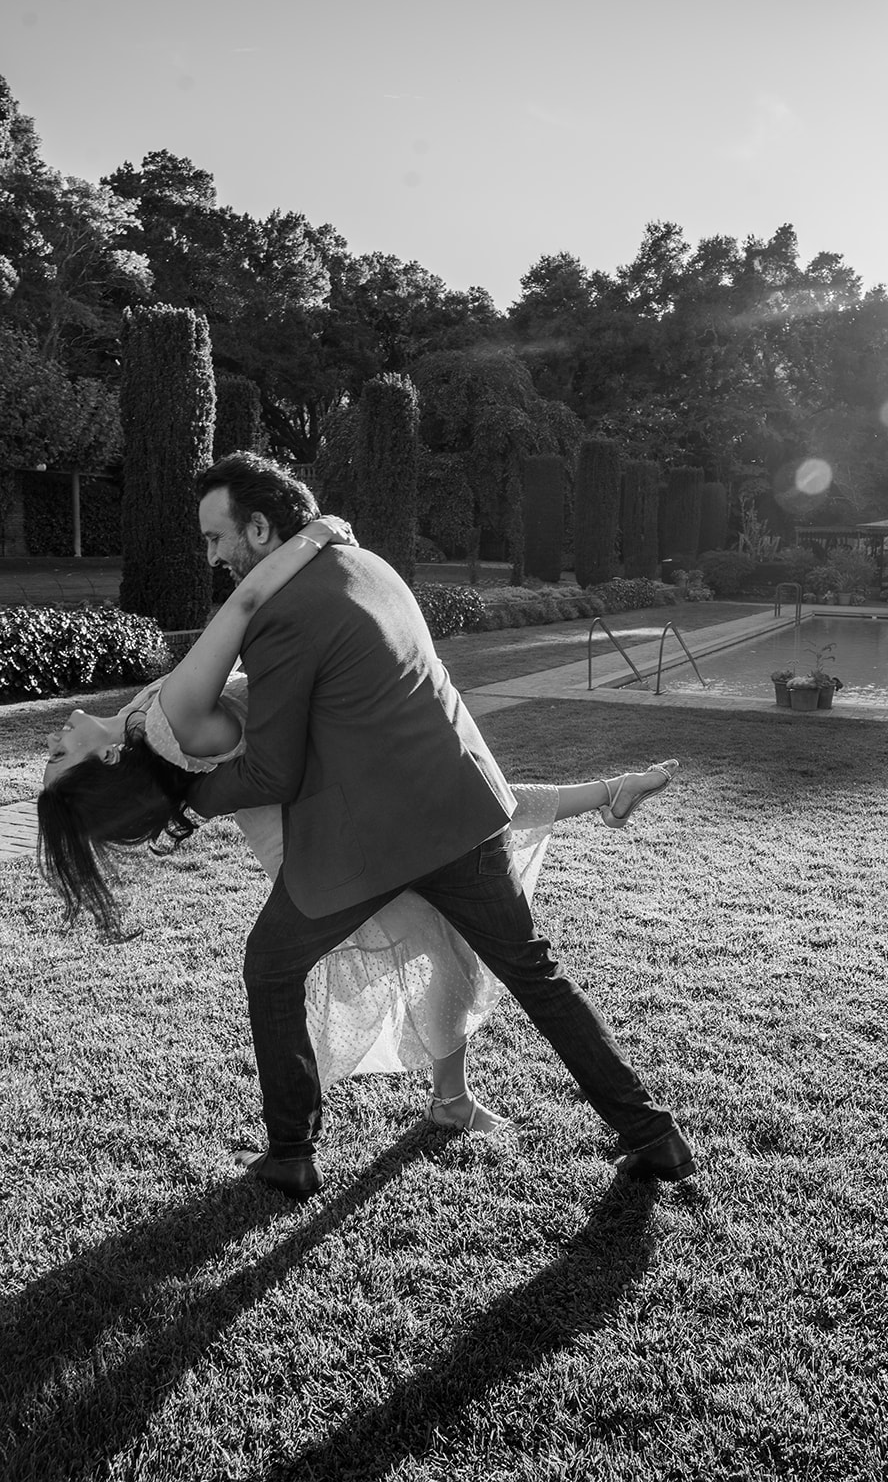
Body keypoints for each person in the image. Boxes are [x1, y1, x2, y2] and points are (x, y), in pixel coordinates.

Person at [36, 505, 681, 1163]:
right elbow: (243, 622)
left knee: (407, 941)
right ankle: (649, 1133)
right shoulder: (173, 717)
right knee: (495, 946)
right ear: (103, 764)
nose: (54, 740)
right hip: (331, 842)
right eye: (60, 756)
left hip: (355, 827)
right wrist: (317, 533)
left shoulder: (139, 728)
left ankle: (311, 1143)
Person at [182, 450, 695, 1198]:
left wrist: (188, 806)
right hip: (466, 810)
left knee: (270, 967)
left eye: (216, 537)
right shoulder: (368, 565)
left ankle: (291, 1152)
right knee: (537, 976)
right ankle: (656, 1137)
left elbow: (272, 771)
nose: (213, 555)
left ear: (259, 529)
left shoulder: (281, 613)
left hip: (374, 840)